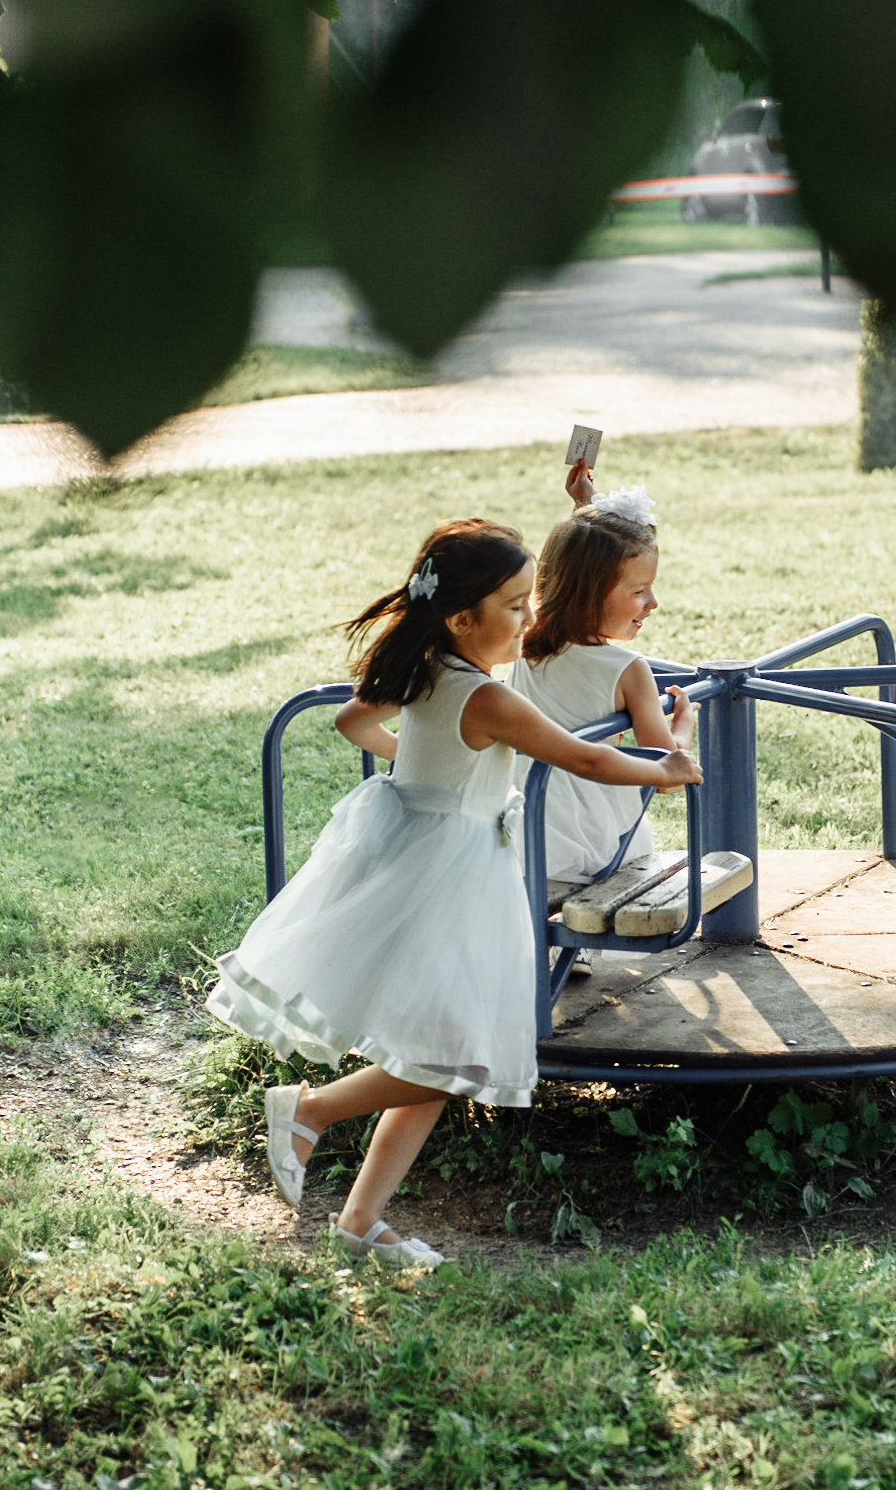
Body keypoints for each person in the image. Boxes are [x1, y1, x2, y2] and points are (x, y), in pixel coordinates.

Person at [205, 518, 701, 1269]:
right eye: (514, 605)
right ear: (461, 617)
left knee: (435, 1053)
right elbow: (586, 760)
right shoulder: (486, 696)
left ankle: (361, 1220)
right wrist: (668, 763)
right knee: (459, 1056)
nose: (531, 617)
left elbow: (351, 719)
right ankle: (310, 1110)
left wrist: (423, 766)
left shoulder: (428, 667)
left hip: (420, 854)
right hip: (454, 876)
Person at [509, 468, 690, 912]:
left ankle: (569, 949)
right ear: (592, 594)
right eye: (640, 591)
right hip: (599, 847)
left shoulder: (525, 641)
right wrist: (685, 721)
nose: (653, 603)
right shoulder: (628, 670)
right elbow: (668, 773)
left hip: (525, 833)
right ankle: (580, 945)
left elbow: (577, 556)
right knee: (629, 830)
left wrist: (586, 504)